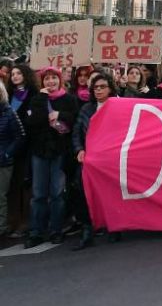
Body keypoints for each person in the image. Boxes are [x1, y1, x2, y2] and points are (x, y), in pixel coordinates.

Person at [23, 67, 80, 248]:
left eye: (53, 78)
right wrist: (42, 99)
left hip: (60, 152)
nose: (50, 82)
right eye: (46, 79)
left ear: (60, 80)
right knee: (38, 194)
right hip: (39, 152)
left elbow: (75, 119)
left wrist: (60, 115)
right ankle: (36, 232)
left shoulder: (69, 99)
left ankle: (56, 230)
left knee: (57, 193)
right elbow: (32, 121)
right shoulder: (36, 100)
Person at [70, 72, 114, 250]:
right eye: (95, 87)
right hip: (89, 159)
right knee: (81, 190)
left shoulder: (117, 106)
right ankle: (87, 229)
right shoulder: (86, 109)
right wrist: (79, 149)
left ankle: (113, 228)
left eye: (102, 87)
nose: (98, 90)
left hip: (110, 159)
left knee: (110, 192)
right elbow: (76, 132)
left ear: (110, 88)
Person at [0, 83, 25, 241]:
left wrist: (7, 153)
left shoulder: (8, 112)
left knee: (0, 197)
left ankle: (1, 227)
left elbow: (20, 135)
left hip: (3, 162)